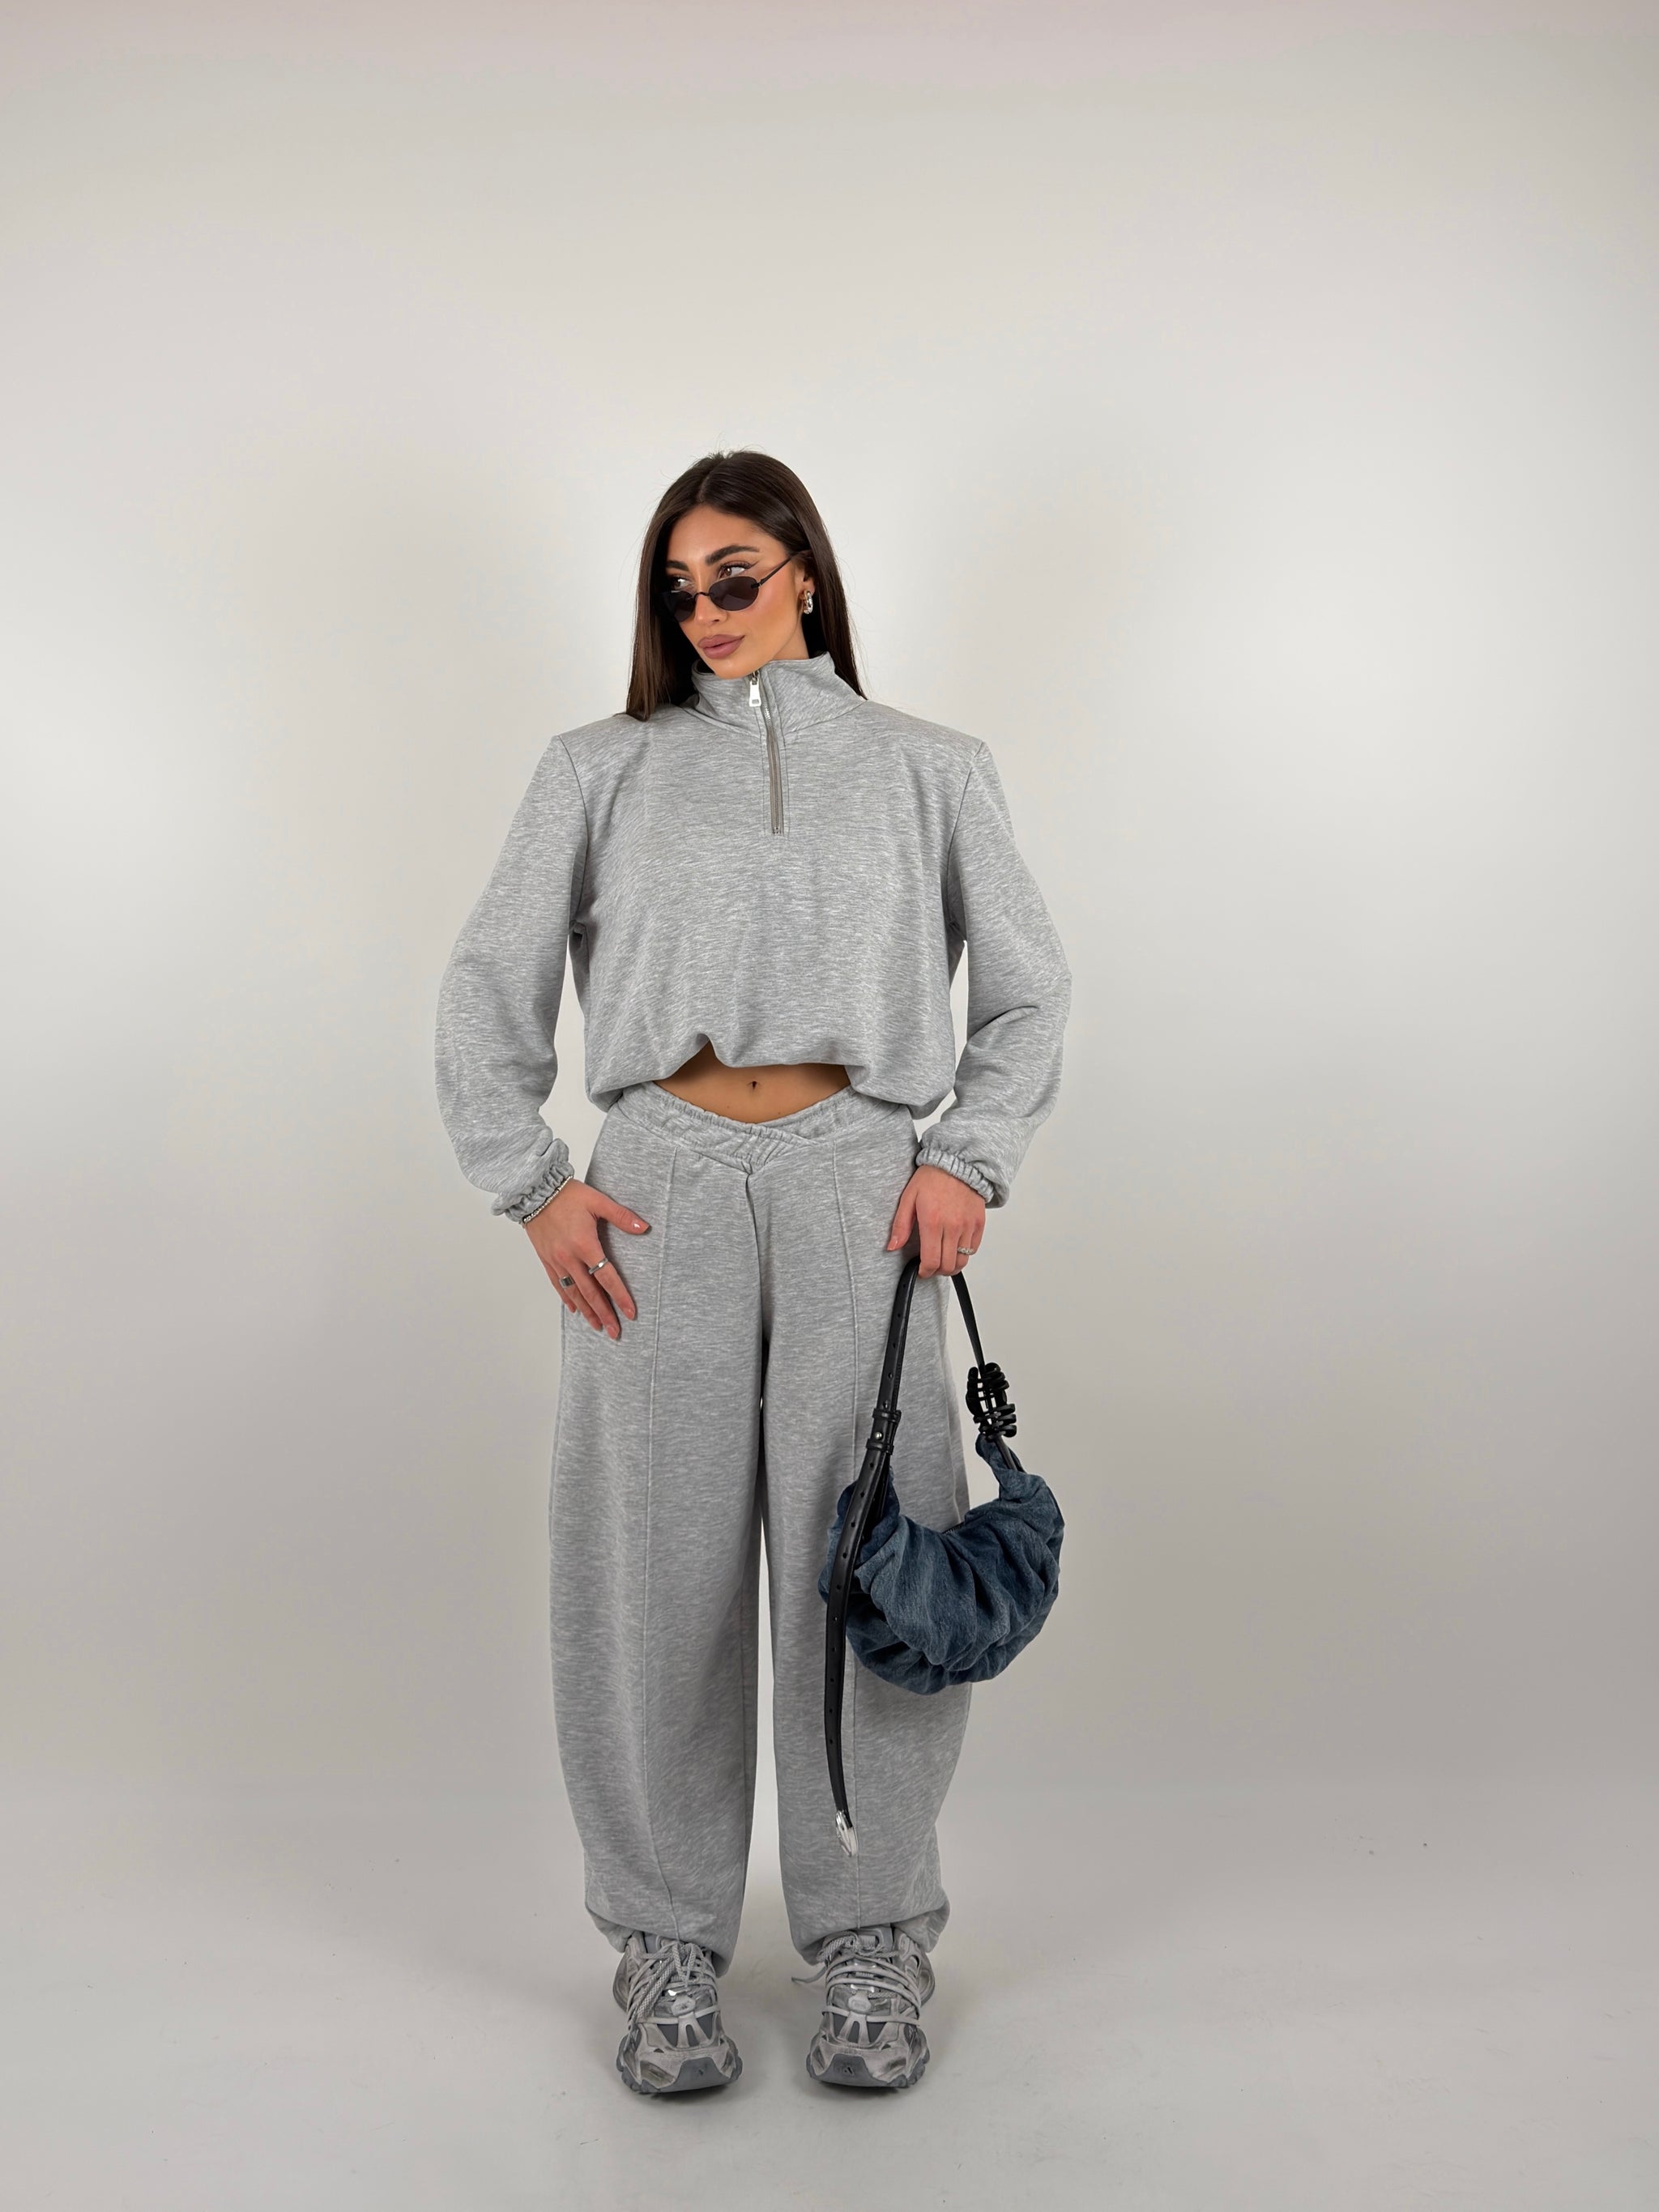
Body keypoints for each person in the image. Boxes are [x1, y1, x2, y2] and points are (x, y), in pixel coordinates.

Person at [433, 449, 1071, 2096]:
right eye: (679, 586)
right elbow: (486, 990)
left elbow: (1026, 993)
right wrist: (534, 1187)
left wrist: (965, 1155)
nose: (705, 611)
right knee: (653, 1578)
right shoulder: (597, 770)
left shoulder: (932, 768)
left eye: (733, 577)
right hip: (657, 1193)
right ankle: (664, 1939)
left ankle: (873, 1933)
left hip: (866, 1188)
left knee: (870, 1562)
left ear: (803, 571)